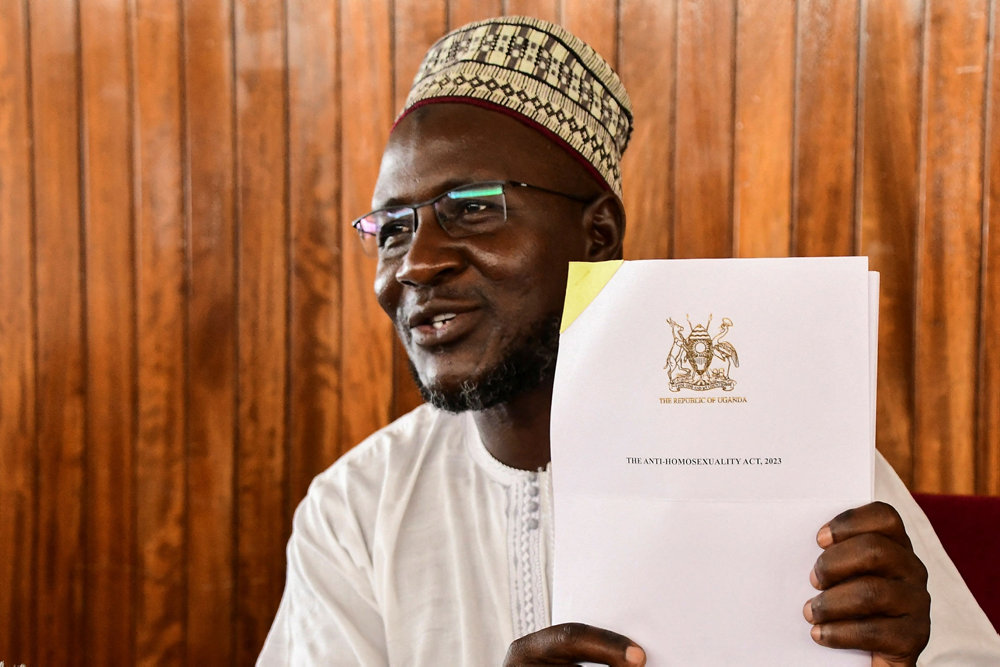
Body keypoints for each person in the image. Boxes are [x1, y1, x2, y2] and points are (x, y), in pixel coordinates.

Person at [259, 15, 1000, 665]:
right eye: (391, 229)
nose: (416, 263)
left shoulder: (788, 457)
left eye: (472, 208)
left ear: (599, 235)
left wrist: (906, 658)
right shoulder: (357, 512)